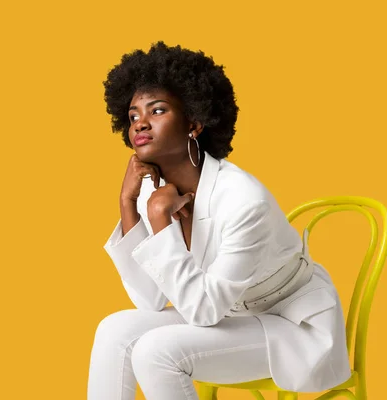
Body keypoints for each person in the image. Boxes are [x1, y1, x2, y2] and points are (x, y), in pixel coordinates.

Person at [87, 41, 351, 400]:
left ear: (194, 123)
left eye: (157, 110)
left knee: (155, 351)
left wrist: (160, 222)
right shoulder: (157, 195)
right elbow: (148, 299)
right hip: (234, 318)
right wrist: (128, 203)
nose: (140, 124)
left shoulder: (244, 199)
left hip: (293, 328)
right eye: (133, 115)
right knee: (113, 329)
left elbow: (204, 311)